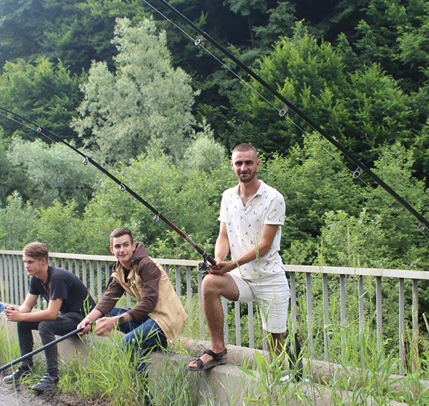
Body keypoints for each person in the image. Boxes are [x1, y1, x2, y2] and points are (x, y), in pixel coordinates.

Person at [188, 143, 290, 371]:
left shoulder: (274, 198)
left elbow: (264, 245)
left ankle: (279, 376)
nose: (244, 167)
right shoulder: (227, 197)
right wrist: (217, 260)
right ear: (232, 166)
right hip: (240, 277)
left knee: (275, 341)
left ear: (257, 164)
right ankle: (217, 349)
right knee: (209, 283)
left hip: (270, 276)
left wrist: (231, 263)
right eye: (239, 163)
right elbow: (223, 235)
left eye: (248, 162)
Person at [77, 228, 187, 374]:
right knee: (108, 313)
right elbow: (108, 300)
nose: (122, 250)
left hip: (166, 319)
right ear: (111, 249)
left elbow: (148, 303)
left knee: (129, 342)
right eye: (117, 246)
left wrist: (116, 321)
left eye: (125, 245)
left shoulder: (147, 265)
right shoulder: (120, 269)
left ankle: (143, 394)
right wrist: (87, 321)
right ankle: (150, 343)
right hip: (149, 318)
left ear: (133, 246)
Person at [3, 242, 94, 394]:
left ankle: (52, 375)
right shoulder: (36, 278)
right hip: (68, 316)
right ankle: (26, 367)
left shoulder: (57, 278)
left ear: (43, 261)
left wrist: (22, 315)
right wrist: (15, 311)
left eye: (30, 262)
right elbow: (26, 307)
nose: (26, 265)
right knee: (23, 322)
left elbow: (51, 314)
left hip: (83, 320)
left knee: (45, 325)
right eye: (25, 262)